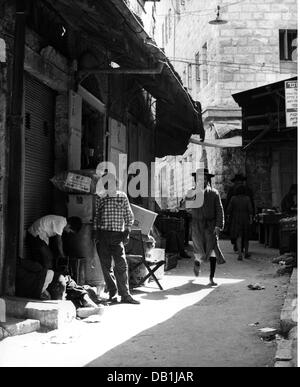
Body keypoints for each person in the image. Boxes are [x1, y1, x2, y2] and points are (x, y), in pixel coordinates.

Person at [93, 172, 140, 305]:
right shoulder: (100, 198)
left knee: (121, 266)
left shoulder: (122, 196)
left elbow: (129, 216)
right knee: (106, 267)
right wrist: (96, 232)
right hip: (103, 235)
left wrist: (127, 231)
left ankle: (125, 295)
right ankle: (113, 294)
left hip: (118, 236)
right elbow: (97, 216)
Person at [186, 168, 225, 287]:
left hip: (210, 226)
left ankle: (211, 278)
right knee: (199, 250)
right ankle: (197, 262)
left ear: (208, 180)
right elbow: (187, 208)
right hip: (197, 226)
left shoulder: (214, 193)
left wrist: (219, 225)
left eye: (204, 179)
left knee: (212, 250)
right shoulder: (191, 192)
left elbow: (219, 210)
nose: (201, 181)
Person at [225, 173, 254, 252]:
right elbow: (251, 204)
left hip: (236, 215)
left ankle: (238, 246)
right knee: (240, 232)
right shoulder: (234, 190)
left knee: (237, 232)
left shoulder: (246, 190)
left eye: (240, 182)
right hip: (240, 215)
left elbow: (228, 204)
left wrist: (227, 214)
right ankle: (239, 246)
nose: (239, 183)